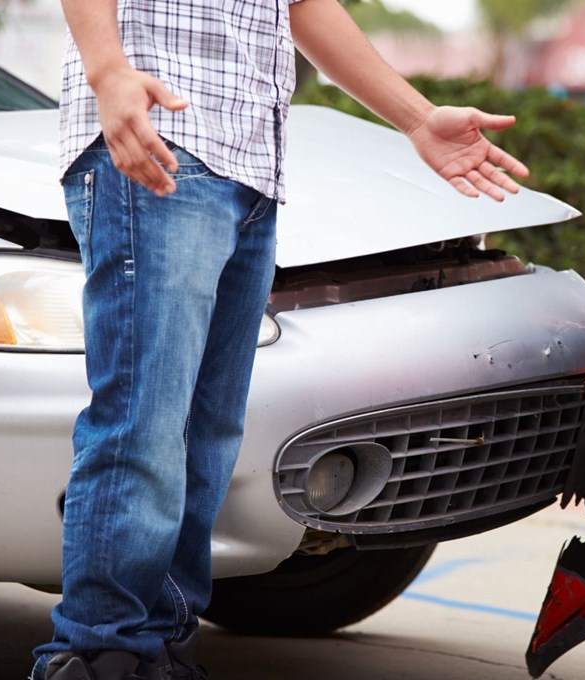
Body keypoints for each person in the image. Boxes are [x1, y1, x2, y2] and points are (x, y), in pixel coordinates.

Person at [33, 1, 529, 679]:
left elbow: (302, 7)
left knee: (205, 440)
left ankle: (157, 652)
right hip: (158, 140)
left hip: (249, 169)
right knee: (142, 427)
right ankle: (97, 654)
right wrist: (108, 70)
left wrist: (416, 118)